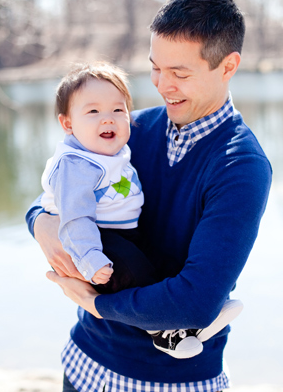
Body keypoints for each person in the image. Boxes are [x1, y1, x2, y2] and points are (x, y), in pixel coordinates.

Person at [27, 0, 272, 392]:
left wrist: (97, 304)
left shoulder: (240, 166)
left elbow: (194, 302)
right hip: (89, 376)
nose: (161, 85)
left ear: (228, 65)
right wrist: (39, 223)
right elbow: (61, 188)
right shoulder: (131, 128)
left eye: (179, 73)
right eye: (155, 68)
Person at [40, 61, 244, 359]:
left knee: (155, 268)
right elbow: (74, 216)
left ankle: (189, 322)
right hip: (98, 237)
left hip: (124, 231)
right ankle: (167, 332)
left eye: (118, 110)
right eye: (93, 111)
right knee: (133, 272)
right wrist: (88, 258)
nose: (107, 119)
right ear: (68, 124)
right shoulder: (77, 163)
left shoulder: (113, 144)